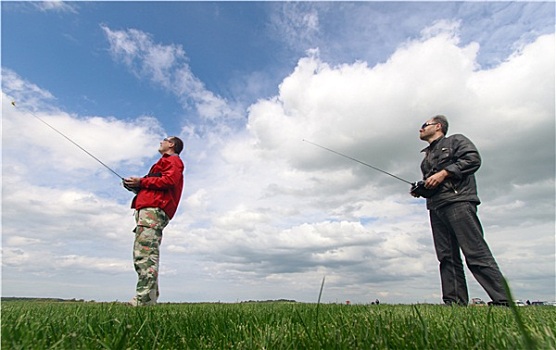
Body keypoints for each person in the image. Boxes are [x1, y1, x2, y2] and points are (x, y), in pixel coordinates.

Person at [411, 115, 508, 306]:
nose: (420, 129)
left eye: (424, 125)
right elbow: (434, 182)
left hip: (459, 202)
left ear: (438, 126)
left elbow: (473, 160)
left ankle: (503, 301)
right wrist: (421, 189)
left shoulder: (456, 140)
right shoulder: (426, 157)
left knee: (475, 252)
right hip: (436, 206)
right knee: (447, 257)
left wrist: (444, 173)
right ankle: (454, 303)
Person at [123, 136, 185, 306]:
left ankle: (143, 302)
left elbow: (169, 181)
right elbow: (156, 184)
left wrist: (141, 181)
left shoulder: (173, 161)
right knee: (143, 254)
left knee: (146, 255)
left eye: (164, 140)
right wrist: (137, 186)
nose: (161, 141)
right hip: (148, 210)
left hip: (153, 211)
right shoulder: (162, 163)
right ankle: (147, 299)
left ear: (171, 144)